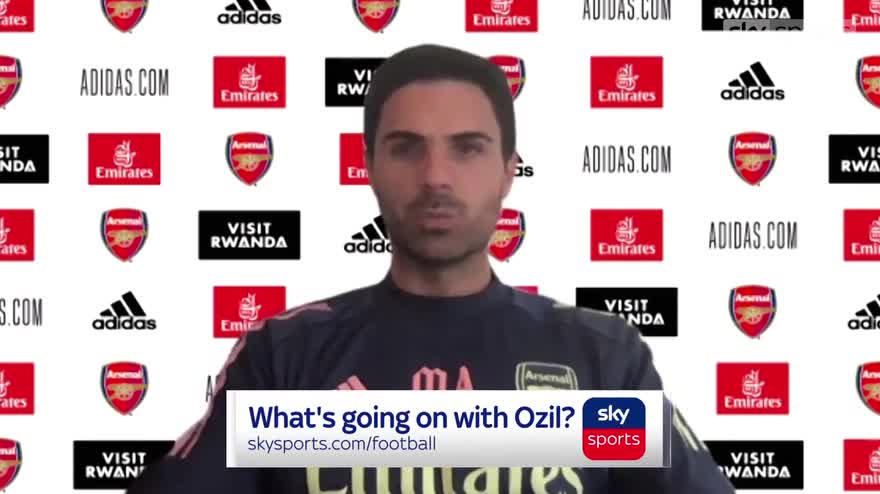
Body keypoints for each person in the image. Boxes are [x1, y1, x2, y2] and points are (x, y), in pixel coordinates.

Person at [126, 44, 735, 494]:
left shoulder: (598, 359)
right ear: (369, 167)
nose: (436, 176)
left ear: (508, 171)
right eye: (407, 147)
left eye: (467, 148)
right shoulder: (288, 356)